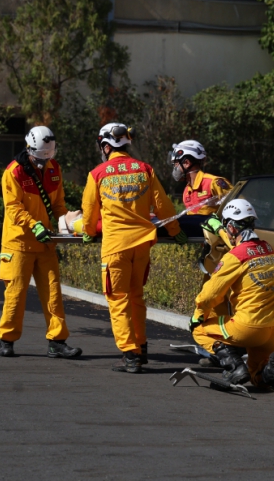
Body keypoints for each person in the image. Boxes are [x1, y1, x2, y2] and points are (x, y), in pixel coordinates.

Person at [82, 122, 187, 373]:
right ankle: (141, 347)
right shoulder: (145, 169)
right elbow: (163, 206)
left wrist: (87, 233)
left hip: (116, 245)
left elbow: (89, 214)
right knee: (136, 297)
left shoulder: (98, 174)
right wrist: (176, 232)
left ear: (106, 146)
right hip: (142, 245)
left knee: (118, 299)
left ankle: (129, 354)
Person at [189, 199, 274, 396]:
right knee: (256, 376)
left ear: (231, 227)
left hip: (249, 328)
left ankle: (233, 367)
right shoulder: (267, 249)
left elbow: (210, 295)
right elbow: (242, 245)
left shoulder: (235, 257)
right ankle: (270, 372)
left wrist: (198, 314)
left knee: (199, 330)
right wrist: (220, 229)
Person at [0, 126, 82, 359]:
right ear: (29, 149)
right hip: (19, 243)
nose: (44, 163)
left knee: (53, 293)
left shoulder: (54, 168)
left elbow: (58, 205)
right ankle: (7, 339)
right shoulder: (13, 172)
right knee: (16, 294)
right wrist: (34, 225)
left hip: (45, 244)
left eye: (48, 158)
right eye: (40, 159)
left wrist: (70, 222)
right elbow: (13, 208)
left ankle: (57, 341)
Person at [169, 140, 233, 365]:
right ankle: (217, 347)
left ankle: (225, 348)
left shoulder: (215, 183)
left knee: (219, 300)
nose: (175, 166)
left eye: (177, 162)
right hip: (211, 257)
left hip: (227, 257)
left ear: (187, 162)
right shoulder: (187, 190)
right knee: (210, 300)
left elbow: (235, 214)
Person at [169, 140, 232, 216]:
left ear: (186, 163)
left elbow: (238, 207)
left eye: (176, 163)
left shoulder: (213, 183)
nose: (175, 168)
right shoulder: (186, 192)